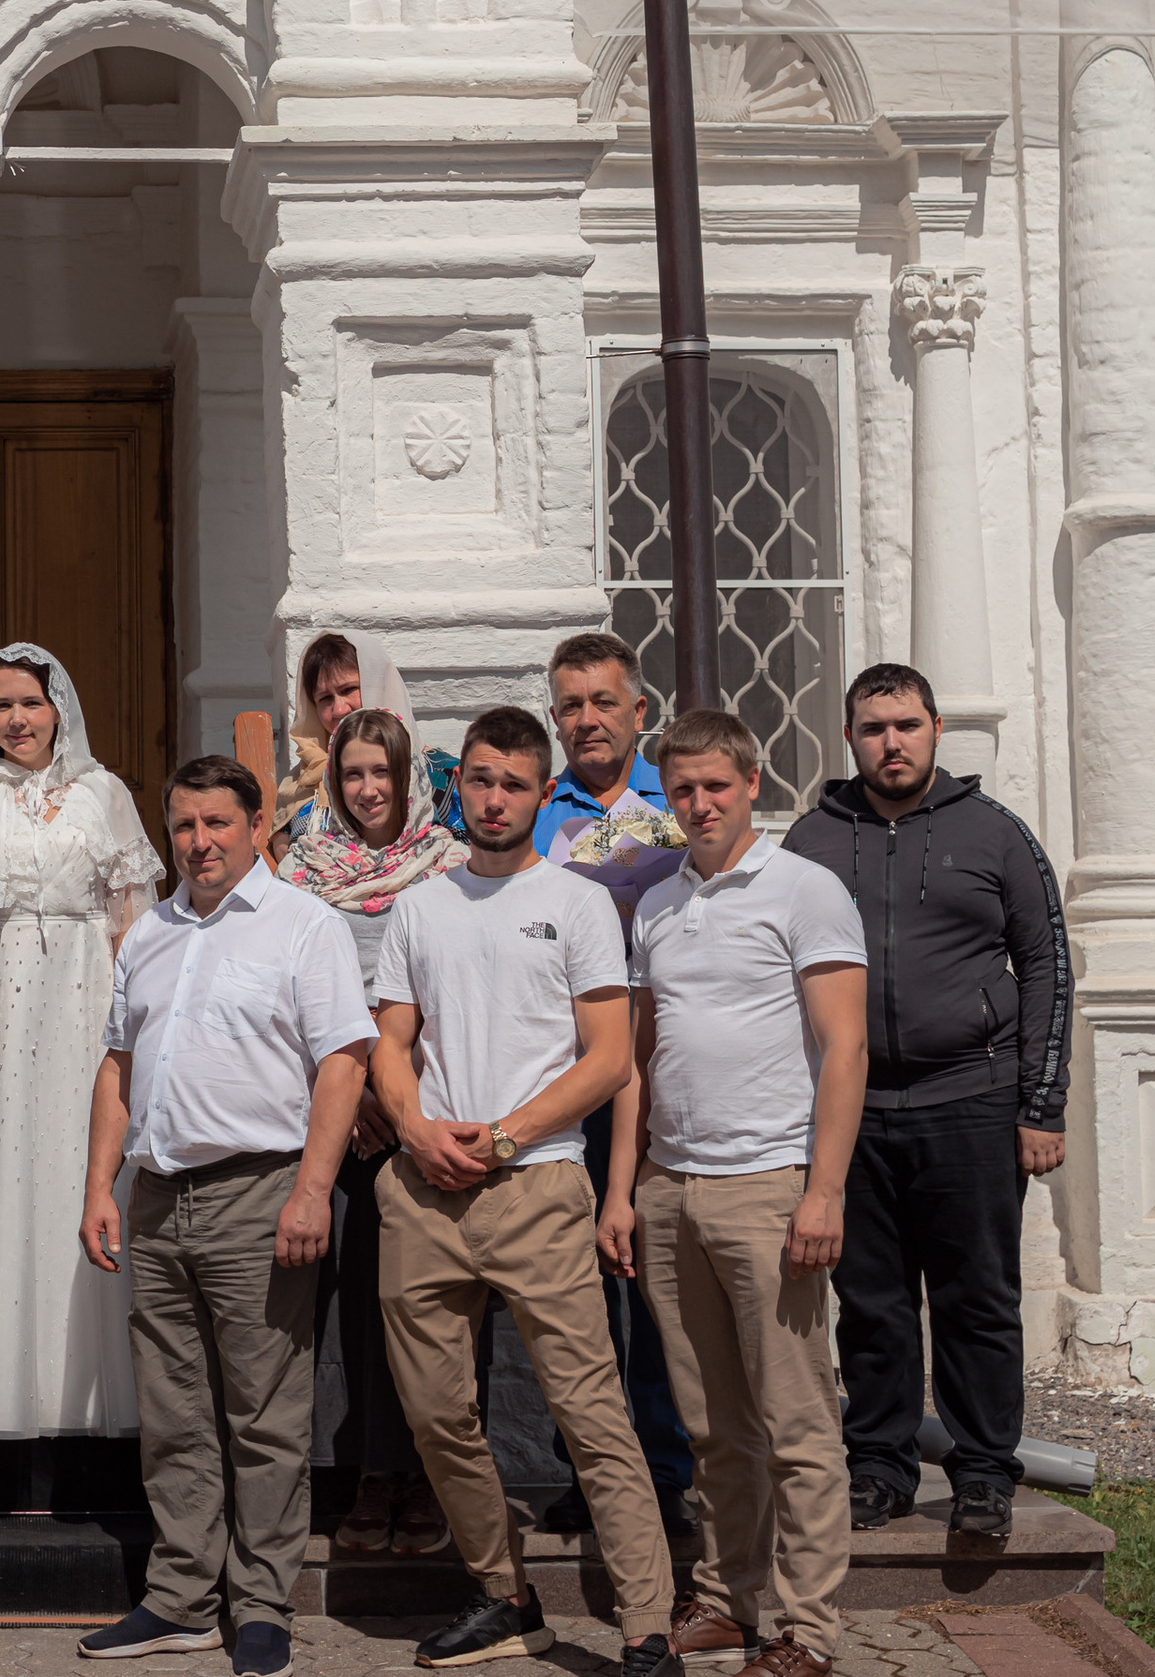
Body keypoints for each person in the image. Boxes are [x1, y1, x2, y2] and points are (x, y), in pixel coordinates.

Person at [369, 705, 675, 1677]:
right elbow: (388, 1039)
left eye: (514, 783)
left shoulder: (578, 902)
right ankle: (503, 1594)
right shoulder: (419, 903)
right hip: (424, 1189)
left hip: (536, 1185)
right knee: (434, 1413)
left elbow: (609, 1055)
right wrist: (415, 1128)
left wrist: (502, 1136)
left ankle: (644, 1626)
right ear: (458, 785)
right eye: (481, 779)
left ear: (543, 796)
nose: (494, 797)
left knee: (588, 1410)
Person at [76, 755, 372, 1677]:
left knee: (265, 1415)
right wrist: (99, 1187)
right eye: (185, 826)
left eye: (218, 825)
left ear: (256, 829)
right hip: (160, 1199)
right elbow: (118, 1068)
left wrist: (313, 1191)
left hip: (261, 1193)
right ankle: (179, 1600)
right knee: (174, 1415)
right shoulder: (150, 934)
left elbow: (343, 1064)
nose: (200, 842)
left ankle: (262, 1607)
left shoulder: (304, 926)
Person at [604, 710, 869, 1677]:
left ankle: (806, 1629)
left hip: (770, 1185)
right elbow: (636, 1061)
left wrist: (823, 1192)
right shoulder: (658, 909)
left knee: (796, 1421)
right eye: (682, 790)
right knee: (710, 1421)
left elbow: (845, 1046)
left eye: (716, 785)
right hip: (673, 1188)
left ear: (751, 783)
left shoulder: (806, 890)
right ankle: (725, 1598)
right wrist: (625, 1188)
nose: (701, 804)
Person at [781, 664, 1069, 1543]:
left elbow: (1047, 966)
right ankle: (878, 1467)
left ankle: (983, 1474)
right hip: (852, 1110)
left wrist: (1041, 1104)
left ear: (936, 729)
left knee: (977, 1298)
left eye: (906, 725)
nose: (891, 742)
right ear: (849, 738)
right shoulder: (810, 842)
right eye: (873, 728)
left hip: (972, 1100)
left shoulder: (996, 834)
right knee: (869, 1300)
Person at [0, 645, 163, 1437]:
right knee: (3, 1164)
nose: (16, 719)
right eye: (2, 706)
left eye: (30, 704)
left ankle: (84, 1374)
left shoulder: (103, 794)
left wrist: (134, 1028)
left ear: (59, 711)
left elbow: (131, 920)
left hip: (86, 1005)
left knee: (79, 1163)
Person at [275, 707, 463, 1558]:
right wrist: (354, 1105)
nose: (368, 788)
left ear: (407, 776)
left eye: (382, 771)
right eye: (352, 773)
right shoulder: (304, 875)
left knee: (430, 1309)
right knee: (354, 1312)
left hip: (428, 1119)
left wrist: (406, 1105)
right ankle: (371, 1476)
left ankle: (431, 1481)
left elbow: (456, 1002)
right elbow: (298, 1003)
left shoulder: (449, 869)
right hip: (343, 1124)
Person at [531, 633, 695, 1544]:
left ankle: (668, 1471)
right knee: (572, 1292)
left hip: (665, 1076)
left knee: (654, 1281)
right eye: (570, 706)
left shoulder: (678, 802)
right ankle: (587, 1470)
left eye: (602, 701)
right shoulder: (535, 810)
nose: (586, 719)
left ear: (639, 709)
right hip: (563, 1080)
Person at [272, 630, 457, 857]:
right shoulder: (302, 783)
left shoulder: (447, 776)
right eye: (325, 698)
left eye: (348, 690)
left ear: (379, 685)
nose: (339, 709)